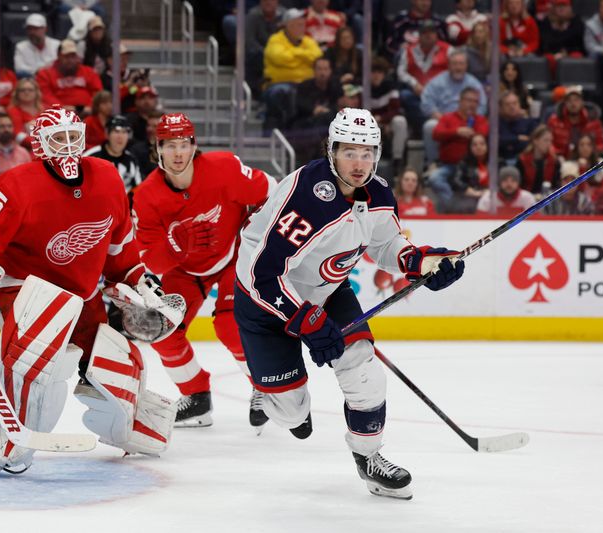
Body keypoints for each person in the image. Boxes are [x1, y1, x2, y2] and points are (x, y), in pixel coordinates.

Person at [0, 106, 178, 473]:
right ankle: (5, 430)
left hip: (83, 295)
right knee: (42, 357)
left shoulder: (107, 177)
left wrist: (138, 282)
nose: (67, 148)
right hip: (25, 290)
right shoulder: (17, 185)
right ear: (39, 145)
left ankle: (126, 423)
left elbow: (119, 247)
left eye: (72, 138)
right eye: (56, 140)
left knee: (118, 366)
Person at [234, 108, 465, 499]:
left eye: (367, 153)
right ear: (331, 151)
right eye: (349, 152)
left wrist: (419, 262)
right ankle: (264, 390)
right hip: (265, 300)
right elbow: (265, 274)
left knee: (364, 371)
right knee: (293, 415)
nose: (359, 164)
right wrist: (305, 319)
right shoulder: (309, 195)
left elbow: (386, 243)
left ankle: (370, 458)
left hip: (327, 290)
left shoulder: (378, 192)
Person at [131, 113, 273, 429]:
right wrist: (175, 248)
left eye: (184, 144)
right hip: (185, 270)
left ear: (194, 145)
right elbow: (151, 262)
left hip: (235, 255)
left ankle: (264, 385)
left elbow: (273, 192)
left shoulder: (223, 168)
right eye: (170, 146)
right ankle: (196, 398)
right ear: (158, 149)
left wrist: (260, 227)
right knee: (162, 330)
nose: (178, 153)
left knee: (229, 325)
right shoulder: (146, 196)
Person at [36, 39, 103, 112]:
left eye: (73, 56)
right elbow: (46, 96)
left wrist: (89, 107)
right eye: (66, 57)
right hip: (58, 115)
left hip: (88, 113)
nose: (70, 60)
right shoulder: (45, 74)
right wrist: (61, 108)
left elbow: (97, 93)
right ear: (58, 56)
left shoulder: (89, 72)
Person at [83, 114, 142, 196]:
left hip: (123, 205)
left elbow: (138, 189)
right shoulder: (90, 156)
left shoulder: (131, 160)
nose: (120, 137)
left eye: (124, 132)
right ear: (107, 134)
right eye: (116, 131)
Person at [546, 85, 603, 158]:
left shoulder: (594, 122)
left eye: (576, 100)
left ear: (582, 102)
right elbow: (548, 144)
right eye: (569, 100)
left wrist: (589, 154)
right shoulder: (554, 121)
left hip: (589, 161)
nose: (573, 103)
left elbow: (601, 145)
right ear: (565, 103)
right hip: (561, 160)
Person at [517, 124, 561, 194]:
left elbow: (556, 186)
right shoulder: (522, 160)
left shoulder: (554, 161)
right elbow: (519, 186)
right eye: (546, 140)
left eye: (550, 141)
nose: (549, 144)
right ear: (535, 141)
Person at [13, 13, 60, 78]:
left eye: (35, 29)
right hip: (31, 82)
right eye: (29, 29)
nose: (32, 32)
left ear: (45, 29)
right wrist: (39, 72)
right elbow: (19, 69)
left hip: (52, 80)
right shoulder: (20, 47)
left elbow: (59, 66)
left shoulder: (56, 45)